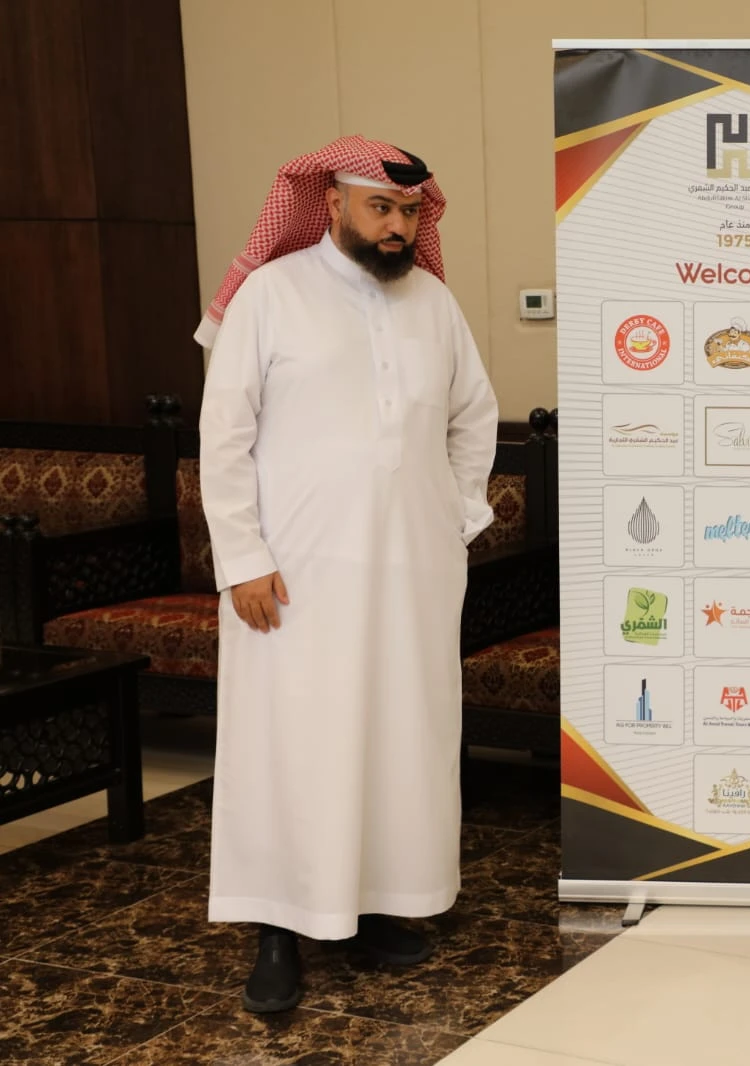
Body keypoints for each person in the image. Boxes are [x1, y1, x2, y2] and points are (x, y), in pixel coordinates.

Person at [196, 135, 499, 1013]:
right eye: (381, 208)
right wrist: (243, 560)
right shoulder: (271, 295)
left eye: (409, 211)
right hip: (294, 580)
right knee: (292, 745)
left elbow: (472, 416)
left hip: (411, 576)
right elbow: (224, 436)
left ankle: (370, 908)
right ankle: (277, 929)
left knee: (397, 739)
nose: (398, 225)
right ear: (331, 202)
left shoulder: (434, 303)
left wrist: (454, 518)